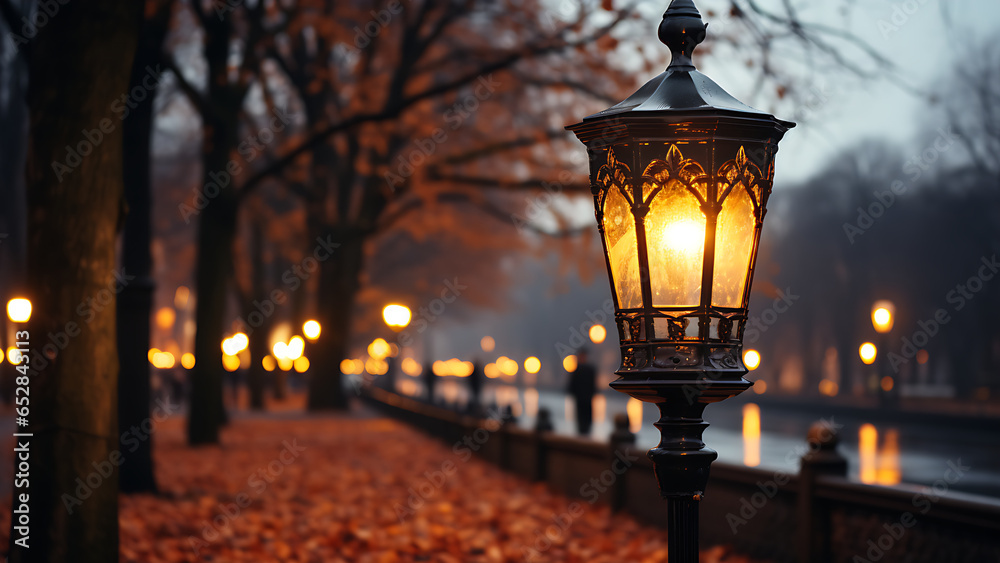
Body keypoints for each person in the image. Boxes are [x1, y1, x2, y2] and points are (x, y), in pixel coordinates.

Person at [567, 347, 597, 436]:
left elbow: (571, 386)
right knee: (585, 421)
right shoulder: (590, 370)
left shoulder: (577, 370)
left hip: (582, 399)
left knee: (582, 421)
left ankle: (582, 436)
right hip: (586, 399)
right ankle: (585, 436)